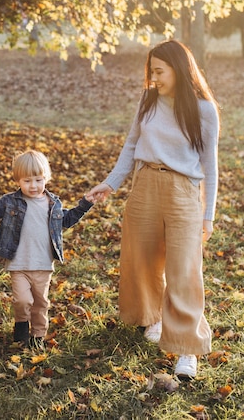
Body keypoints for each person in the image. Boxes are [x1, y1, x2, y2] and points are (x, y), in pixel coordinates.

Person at [87, 39, 219, 380]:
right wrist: (110, 183)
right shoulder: (148, 100)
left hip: (183, 192)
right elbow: (131, 145)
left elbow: (211, 165)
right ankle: (153, 318)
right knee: (141, 260)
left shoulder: (204, 109)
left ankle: (187, 349)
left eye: (159, 71)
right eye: (151, 71)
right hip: (145, 186)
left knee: (184, 271)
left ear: (178, 69)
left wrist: (209, 215)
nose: (153, 78)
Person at [0, 150, 94, 348]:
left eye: (38, 180)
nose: (33, 186)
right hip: (18, 264)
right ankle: (21, 326)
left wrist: (84, 205)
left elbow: (67, 220)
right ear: (18, 180)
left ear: (46, 178)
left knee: (41, 303)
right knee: (22, 300)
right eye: (27, 181)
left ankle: (38, 336)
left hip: (43, 264)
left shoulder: (52, 203)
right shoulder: (10, 202)